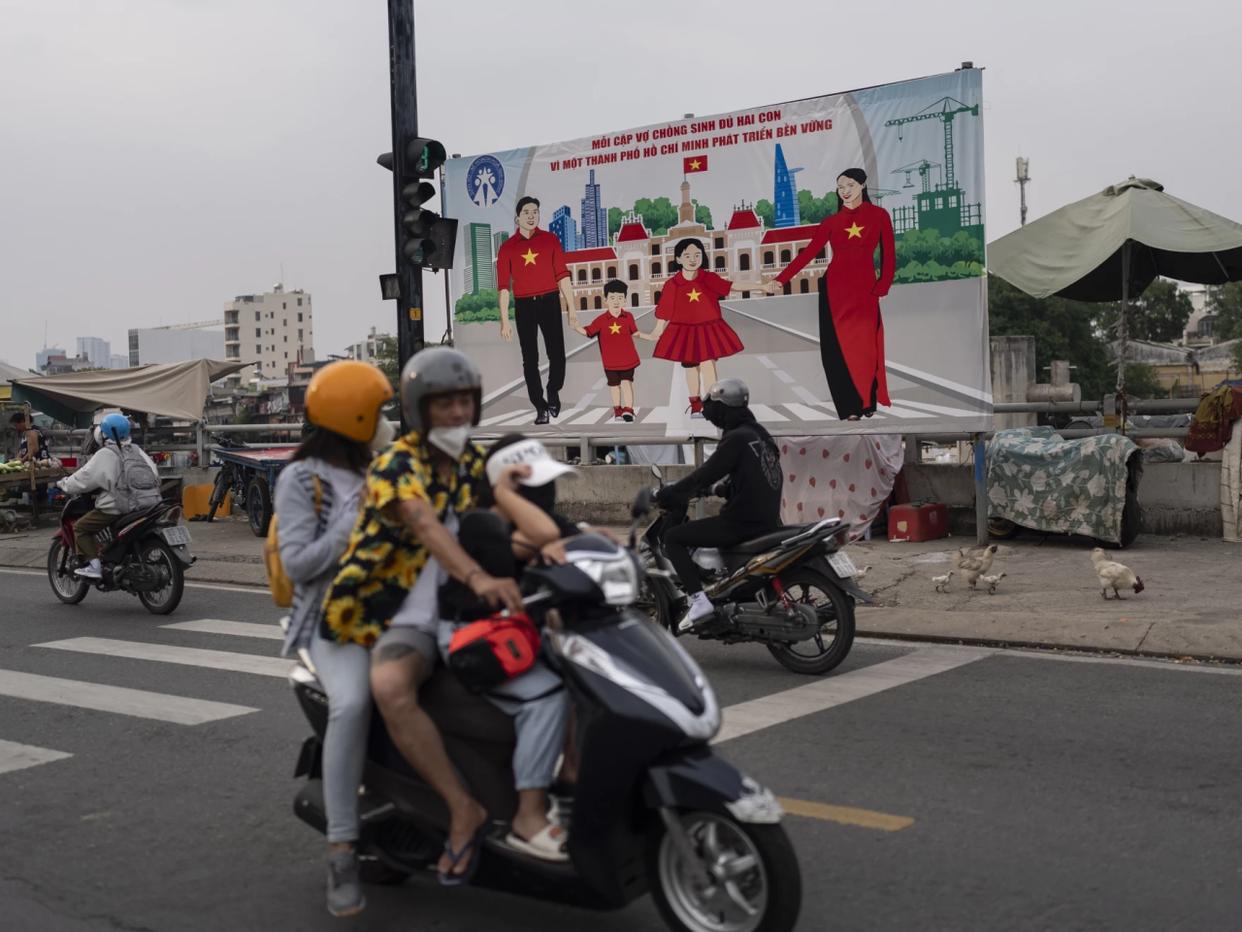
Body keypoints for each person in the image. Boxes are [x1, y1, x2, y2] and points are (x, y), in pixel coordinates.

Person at [321, 346, 523, 887]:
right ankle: (462, 807)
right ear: (418, 410)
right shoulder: (395, 464)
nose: (457, 413)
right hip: (402, 616)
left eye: (464, 402)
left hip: (465, 613)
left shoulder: (475, 464)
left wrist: (575, 544)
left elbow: (509, 518)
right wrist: (478, 577)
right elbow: (423, 522)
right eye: (444, 404)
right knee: (390, 687)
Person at [272, 359, 395, 917]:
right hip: (332, 619)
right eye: (379, 412)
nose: (386, 422)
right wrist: (353, 523)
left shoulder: (384, 467)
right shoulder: (302, 479)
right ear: (356, 417)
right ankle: (342, 849)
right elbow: (298, 564)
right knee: (351, 705)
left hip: (398, 610)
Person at [438, 434, 577, 861]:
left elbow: (574, 538)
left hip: (511, 631)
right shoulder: (481, 523)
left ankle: (572, 778)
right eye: (537, 484)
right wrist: (502, 490)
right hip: (469, 635)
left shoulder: (525, 520)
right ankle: (528, 816)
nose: (548, 492)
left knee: (586, 671)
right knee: (547, 696)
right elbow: (546, 534)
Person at [765, 167, 896, 420]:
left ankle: (867, 402)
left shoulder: (879, 216)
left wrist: (883, 284)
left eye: (850, 185)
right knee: (837, 350)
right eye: (840, 187)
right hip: (834, 290)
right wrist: (781, 279)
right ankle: (849, 408)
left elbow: (888, 253)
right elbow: (809, 253)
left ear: (862, 185)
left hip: (865, 290)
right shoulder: (831, 222)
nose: (844, 191)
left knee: (866, 348)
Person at [655, 379, 783, 631]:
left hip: (742, 523)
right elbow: (753, 476)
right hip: (768, 519)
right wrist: (720, 489)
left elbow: (703, 474)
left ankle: (699, 601)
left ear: (724, 408)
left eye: (713, 408)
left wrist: (672, 493)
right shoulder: (759, 434)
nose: (710, 414)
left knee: (673, 537)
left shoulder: (736, 438)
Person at [646, 238, 767, 418]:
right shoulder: (673, 284)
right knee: (691, 367)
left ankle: (711, 403)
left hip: (707, 328)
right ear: (678, 259)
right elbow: (665, 309)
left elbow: (731, 286)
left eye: (697, 255)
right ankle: (695, 405)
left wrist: (761, 286)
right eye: (687, 255)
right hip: (684, 331)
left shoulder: (708, 278)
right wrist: (658, 329)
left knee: (708, 365)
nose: (693, 259)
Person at [496, 196, 578, 424]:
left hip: (549, 300)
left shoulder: (550, 240)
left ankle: (553, 390)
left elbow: (563, 276)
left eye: (535, 212)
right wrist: (504, 320)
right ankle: (540, 406)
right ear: (517, 218)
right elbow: (503, 287)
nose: (532, 216)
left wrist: (571, 308)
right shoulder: (507, 248)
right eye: (526, 212)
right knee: (530, 359)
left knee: (557, 353)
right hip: (524, 305)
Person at [56, 413, 160, 580]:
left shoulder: (106, 453)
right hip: (149, 503)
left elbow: (84, 479)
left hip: (119, 507)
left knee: (81, 528)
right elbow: (155, 475)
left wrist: (64, 484)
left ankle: (94, 566)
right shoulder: (136, 450)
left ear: (104, 434)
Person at [572, 279, 657, 422]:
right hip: (610, 363)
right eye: (612, 298)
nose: (616, 301)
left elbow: (635, 333)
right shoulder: (601, 320)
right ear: (606, 300)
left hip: (628, 360)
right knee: (614, 386)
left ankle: (628, 410)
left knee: (626, 383)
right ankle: (617, 410)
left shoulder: (628, 317)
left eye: (620, 298)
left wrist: (650, 337)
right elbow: (588, 332)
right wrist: (575, 327)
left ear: (625, 300)